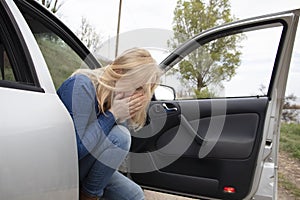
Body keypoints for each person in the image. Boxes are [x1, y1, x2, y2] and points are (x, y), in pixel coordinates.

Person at [57, 48, 161, 200]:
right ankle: (89, 196)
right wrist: (113, 115)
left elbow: (108, 156)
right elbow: (73, 153)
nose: (138, 95)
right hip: (63, 168)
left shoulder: (115, 97)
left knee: (135, 195)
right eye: (137, 86)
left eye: (143, 90)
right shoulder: (82, 85)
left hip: (85, 167)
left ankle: (91, 193)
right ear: (119, 72)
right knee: (121, 137)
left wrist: (119, 115)